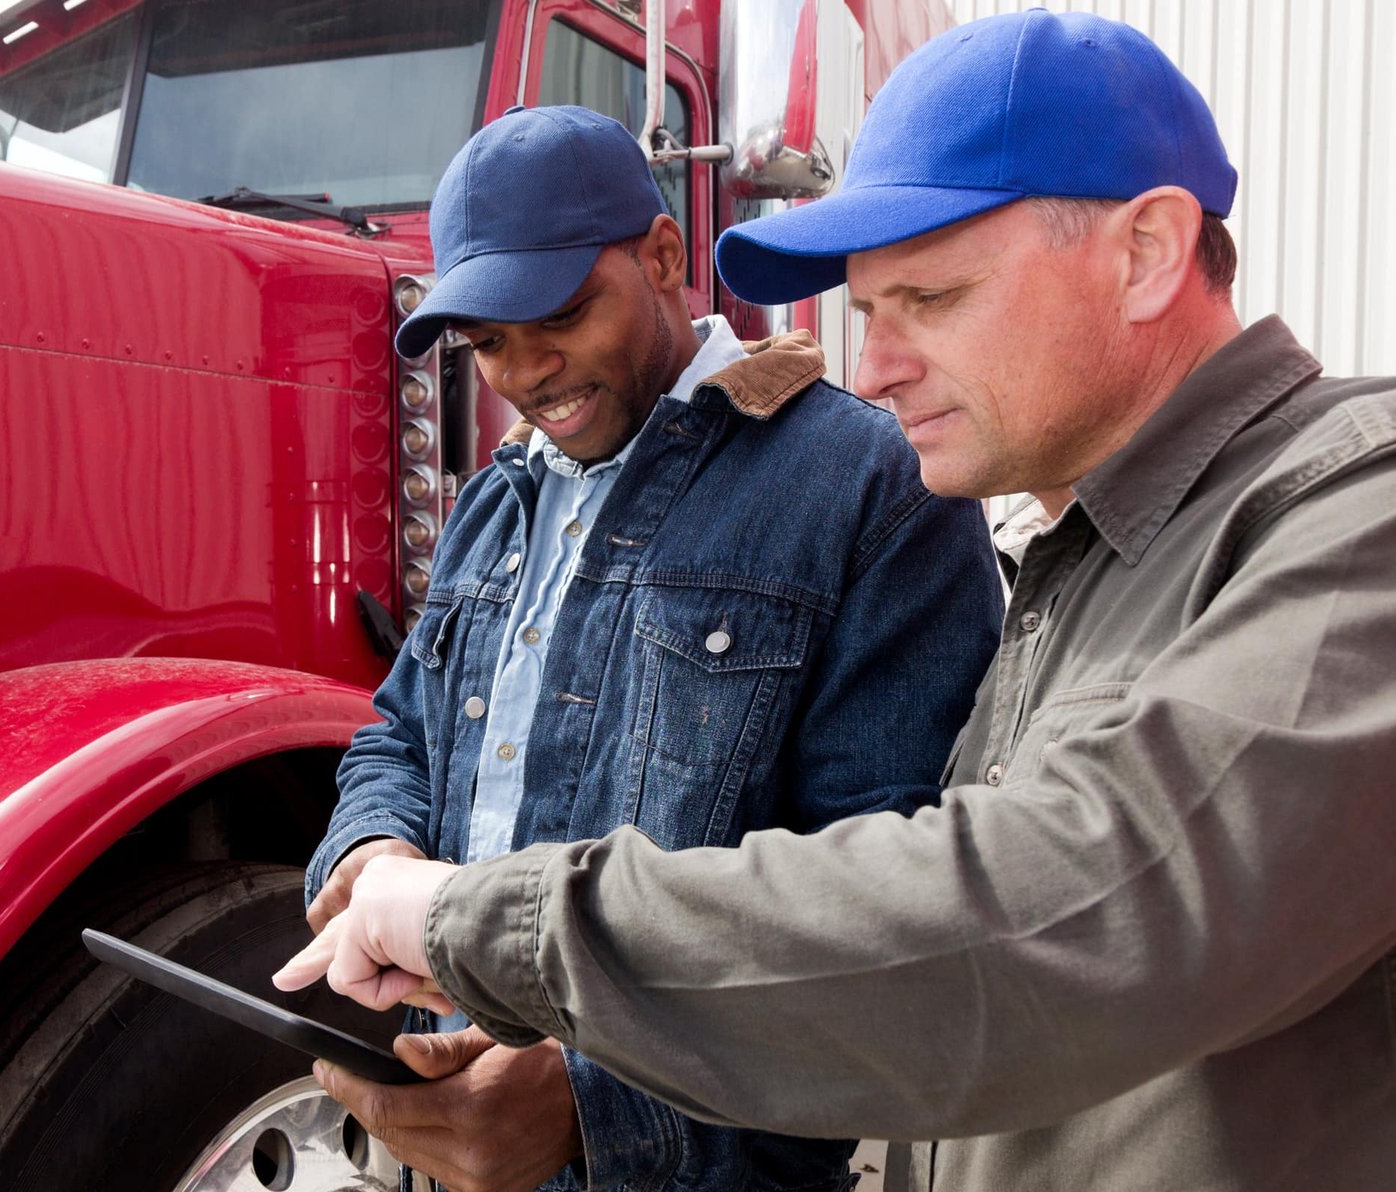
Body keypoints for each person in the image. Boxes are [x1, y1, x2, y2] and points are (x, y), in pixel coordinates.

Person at [278, 12, 1396, 1190]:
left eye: (935, 296)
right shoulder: (1086, 558)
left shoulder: (1355, 514)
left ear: (1147, 252)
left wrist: (478, 927)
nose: (871, 370)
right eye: (871, 311)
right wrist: (389, 862)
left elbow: (1046, 912)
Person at [301, 104, 1001, 1191]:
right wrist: (374, 857)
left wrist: (592, 1107)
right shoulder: (497, 502)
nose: (529, 372)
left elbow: (885, 918)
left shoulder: (869, 484)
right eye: (487, 342)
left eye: (561, 317)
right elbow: (398, 733)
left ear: (666, 255)